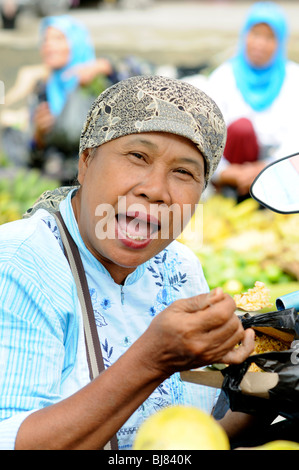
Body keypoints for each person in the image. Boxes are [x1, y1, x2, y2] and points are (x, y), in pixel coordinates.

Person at [0, 75, 255, 450]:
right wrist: (151, 361)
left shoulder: (180, 269)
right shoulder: (20, 262)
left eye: (184, 172)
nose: (154, 189)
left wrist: (269, 388)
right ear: (86, 161)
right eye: (138, 156)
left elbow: (190, 440)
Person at [2, 15, 113, 183]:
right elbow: (33, 157)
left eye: (58, 39)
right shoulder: (43, 89)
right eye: (45, 40)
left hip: (94, 179)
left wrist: (105, 66)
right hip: (54, 174)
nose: (49, 45)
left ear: (76, 43)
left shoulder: (97, 83)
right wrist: (39, 136)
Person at [207, 1, 299, 201]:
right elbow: (207, 136)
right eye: (255, 34)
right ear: (245, 36)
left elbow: (295, 139)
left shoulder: (294, 78)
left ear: (281, 42)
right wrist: (227, 173)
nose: (260, 43)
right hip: (229, 173)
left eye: (270, 37)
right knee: (241, 128)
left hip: (277, 171)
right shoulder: (223, 76)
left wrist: (264, 168)